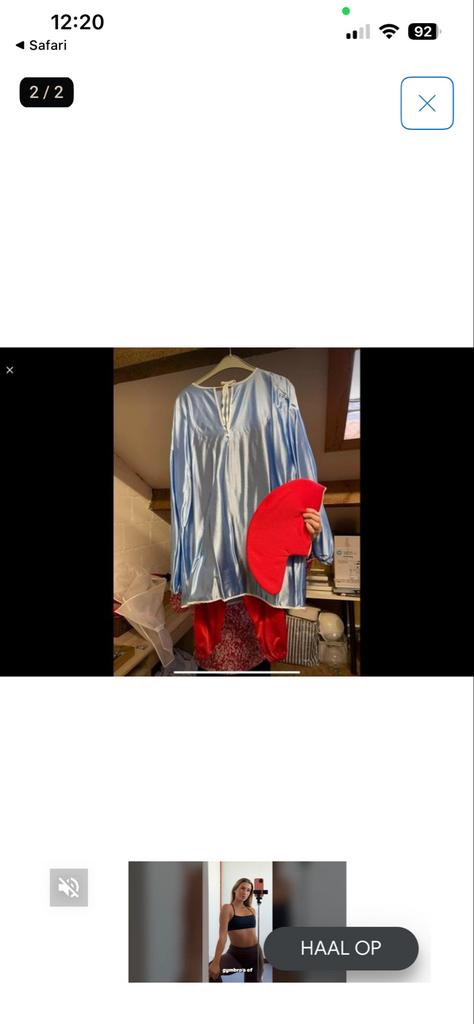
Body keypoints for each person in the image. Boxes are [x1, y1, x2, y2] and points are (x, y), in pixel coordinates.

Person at [171, 508, 323, 672]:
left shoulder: (262, 552)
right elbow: (177, 605)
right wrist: (195, 574)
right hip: (212, 663)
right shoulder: (201, 555)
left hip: (255, 658)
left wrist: (305, 539)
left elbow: (293, 577)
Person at [209, 878, 264, 983]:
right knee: (210, 971)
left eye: (248, 890)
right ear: (235, 889)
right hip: (235, 955)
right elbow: (222, 937)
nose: (245, 892)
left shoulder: (251, 910)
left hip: (255, 955)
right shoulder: (227, 908)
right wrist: (216, 962)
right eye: (242, 888)